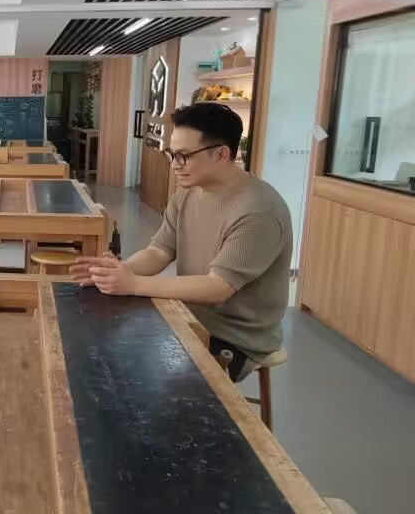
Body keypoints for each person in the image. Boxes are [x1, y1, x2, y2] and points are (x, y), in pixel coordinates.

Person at [70, 102, 292, 382]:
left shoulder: (259, 211)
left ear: (221, 154)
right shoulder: (187, 195)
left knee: (126, 368)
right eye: (172, 154)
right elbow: (159, 251)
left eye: (184, 156)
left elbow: (218, 288)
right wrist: (119, 272)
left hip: (234, 337)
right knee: (95, 339)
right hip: (186, 312)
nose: (175, 164)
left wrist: (133, 284)